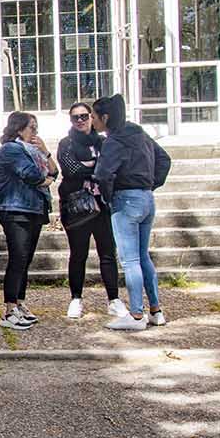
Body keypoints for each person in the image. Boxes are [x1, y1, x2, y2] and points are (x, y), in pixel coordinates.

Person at [92, 94, 171, 332]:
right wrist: (150, 183)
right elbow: (164, 159)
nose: (93, 121)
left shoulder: (113, 141)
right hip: (146, 197)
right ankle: (155, 310)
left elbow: (103, 174)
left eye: (95, 117)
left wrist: (108, 196)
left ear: (105, 117)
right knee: (143, 256)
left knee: (131, 259)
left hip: (125, 199)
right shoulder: (138, 133)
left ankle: (136, 314)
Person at [57, 102, 126, 320]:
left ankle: (114, 299)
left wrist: (90, 166)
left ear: (91, 118)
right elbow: (71, 169)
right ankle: (76, 298)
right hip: (77, 206)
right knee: (78, 253)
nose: (80, 121)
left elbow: (112, 168)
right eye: (75, 117)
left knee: (107, 252)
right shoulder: (66, 143)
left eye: (84, 116)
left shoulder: (104, 142)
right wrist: (95, 167)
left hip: (102, 204)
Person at [0, 111, 56, 331]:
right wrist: (46, 179)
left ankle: (20, 303)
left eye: (37, 128)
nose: (35, 132)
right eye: (31, 127)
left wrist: (46, 152)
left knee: (26, 259)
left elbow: (54, 172)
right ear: (19, 128)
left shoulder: (34, 151)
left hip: (34, 210)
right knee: (18, 258)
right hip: (16, 209)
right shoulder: (11, 149)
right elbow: (33, 175)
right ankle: (10, 309)